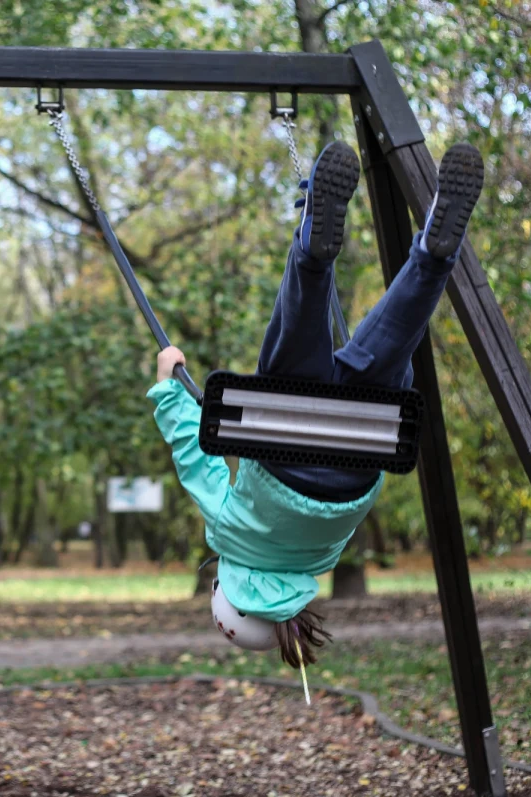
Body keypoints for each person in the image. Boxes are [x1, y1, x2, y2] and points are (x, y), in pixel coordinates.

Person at [150, 140, 484, 669]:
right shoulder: (228, 535)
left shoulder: (324, 561)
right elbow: (197, 460)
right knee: (296, 342)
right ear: (227, 589)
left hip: (369, 439)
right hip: (283, 441)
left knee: (393, 337)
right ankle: (313, 252)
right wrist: (169, 387)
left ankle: (435, 255)